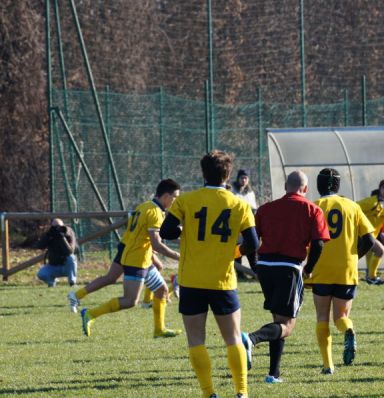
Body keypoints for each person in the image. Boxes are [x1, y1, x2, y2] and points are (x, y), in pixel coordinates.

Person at [160, 151, 258, 398]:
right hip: (223, 280)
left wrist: (186, 231)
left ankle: (208, 393)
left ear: (203, 173)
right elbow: (254, 243)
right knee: (233, 338)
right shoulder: (240, 204)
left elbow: (166, 231)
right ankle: (241, 392)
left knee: (196, 340)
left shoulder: (187, 201)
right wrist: (234, 252)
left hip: (192, 280)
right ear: (227, 174)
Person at [242, 170, 330, 384]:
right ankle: (251, 339)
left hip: (265, 266)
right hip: (289, 267)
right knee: (288, 325)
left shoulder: (266, 208)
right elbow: (319, 243)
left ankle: (274, 374)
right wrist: (309, 267)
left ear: (285, 187)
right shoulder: (312, 209)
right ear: (305, 189)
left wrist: (255, 265)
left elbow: (252, 240)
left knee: (278, 320)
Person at [69, 179, 182, 338]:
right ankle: (90, 314)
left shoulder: (145, 206)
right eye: (175, 197)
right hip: (136, 259)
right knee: (130, 301)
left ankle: (159, 329)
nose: (176, 201)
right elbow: (156, 245)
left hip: (138, 255)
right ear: (165, 196)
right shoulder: (155, 213)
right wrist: (179, 256)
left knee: (162, 290)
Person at [305, 168, 380, 374]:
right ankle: (348, 329)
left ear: (318, 186)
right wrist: (354, 256)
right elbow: (370, 240)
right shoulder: (352, 206)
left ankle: (328, 365)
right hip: (347, 268)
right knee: (340, 316)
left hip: (321, 268)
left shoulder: (314, 207)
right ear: (338, 186)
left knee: (322, 317)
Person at [36, 218, 78, 287]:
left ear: (63, 226)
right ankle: (52, 282)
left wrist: (62, 237)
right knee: (41, 274)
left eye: (59, 226)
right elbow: (40, 246)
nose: (57, 229)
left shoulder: (69, 233)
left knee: (71, 257)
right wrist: (49, 235)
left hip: (66, 266)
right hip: (53, 265)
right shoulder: (50, 234)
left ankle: (72, 282)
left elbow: (70, 251)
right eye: (54, 227)